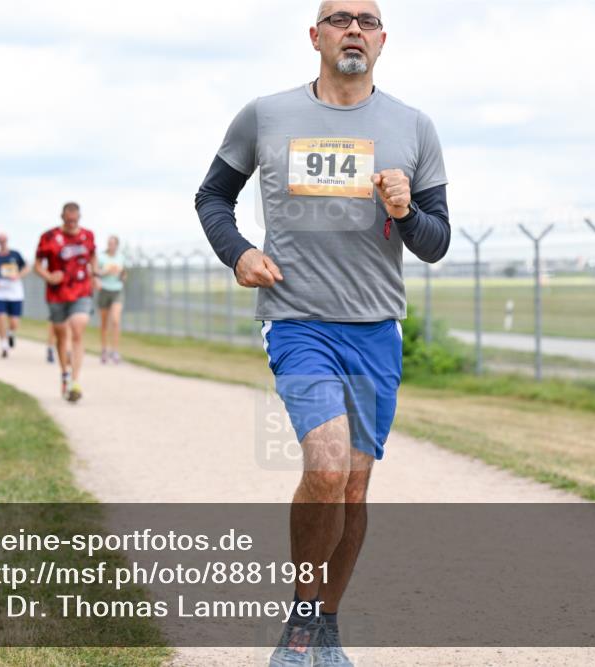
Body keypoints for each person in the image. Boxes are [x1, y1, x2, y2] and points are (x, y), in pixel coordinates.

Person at [195, 3, 450, 664]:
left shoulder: (413, 127)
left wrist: (408, 210)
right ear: (316, 36)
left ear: (383, 39)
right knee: (327, 463)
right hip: (297, 320)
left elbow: (436, 241)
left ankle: (326, 624)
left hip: (375, 331)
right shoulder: (267, 115)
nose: (354, 28)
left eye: (367, 19)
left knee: (356, 485)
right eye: (339, 17)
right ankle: (302, 623)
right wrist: (239, 253)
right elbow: (212, 197)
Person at [35, 202, 96, 402]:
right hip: (57, 293)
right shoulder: (49, 237)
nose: (71, 223)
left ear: (79, 218)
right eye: (68, 220)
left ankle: (75, 381)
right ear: (62, 217)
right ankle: (65, 374)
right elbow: (37, 265)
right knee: (62, 336)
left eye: (75, 220)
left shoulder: (87, 235)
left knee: (77, 328)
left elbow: (92, 257)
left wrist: (95, 273)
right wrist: (48, 276)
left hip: (81, 290)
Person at [0, 233, 29, 358]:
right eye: (0, 240)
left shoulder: (15, 255)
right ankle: (4, 345)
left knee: (14, 322)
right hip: (0, 291)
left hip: (15, 290)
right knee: (1, 317)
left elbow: (27, 267)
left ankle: (11, 333)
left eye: (4, 240)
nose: (2, 242)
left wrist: (18, 275)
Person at [94, 234, 126, 364]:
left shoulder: (121, 257)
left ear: (117, 245)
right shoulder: (101, 257)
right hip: (104, 290)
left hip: (117, 290)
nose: (110, 245)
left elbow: (124, 275)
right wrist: (106, 271)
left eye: (112, 243)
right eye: (109, 243)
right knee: (104, 323)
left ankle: (115, 351)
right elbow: (95, 273)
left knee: (116, 321)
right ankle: (104, 350)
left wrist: (121, 275)